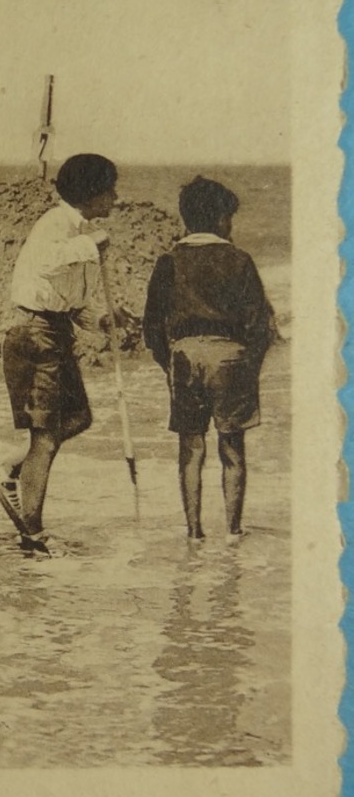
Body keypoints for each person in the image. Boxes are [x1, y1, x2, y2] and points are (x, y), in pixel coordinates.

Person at [1, 152, 124, 556]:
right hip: (35, 332)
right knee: (46, 436)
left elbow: (68, 299)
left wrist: (101, 321)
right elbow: (44, 263)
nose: (116, 199)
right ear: (91, 193)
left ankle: (16, 468)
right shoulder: (55, 225)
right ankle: (31, 535)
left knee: (79, 417)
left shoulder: (79, 229)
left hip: (56, 329)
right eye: (110, 190)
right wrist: (89, 244)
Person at [142, 176, 275, 542]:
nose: (231, 226)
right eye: (229, 219)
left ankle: (194, 531)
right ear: (220, 219)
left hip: (184, 355)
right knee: (232, 447)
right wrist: (250, 365)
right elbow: (259, 324)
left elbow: (152, 325)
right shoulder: (239, 260)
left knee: (191, 447)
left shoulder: (168, 261)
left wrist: (167, 361)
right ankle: (233, 530)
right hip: (230, 356)